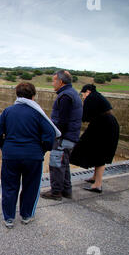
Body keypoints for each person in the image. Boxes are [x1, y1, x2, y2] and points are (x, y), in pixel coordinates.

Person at [0, 82, 59, 228]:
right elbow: (50, 133)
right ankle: (26, 215)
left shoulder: (7, 111)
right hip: (33, 156)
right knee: (31, 186)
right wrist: (43, 149)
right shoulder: (38, 113)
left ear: (17, 95)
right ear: (33, 96)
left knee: (10, 186)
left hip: (11, 155)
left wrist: (4, 147)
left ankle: (9, 218)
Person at [41, 70, 83, 201]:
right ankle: (66, 190)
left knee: (56, 164)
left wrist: (56, 136)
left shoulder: (65, 96)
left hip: (64, 138)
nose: (53, 83)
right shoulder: (72, 93)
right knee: (63, 164)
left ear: (61, 81)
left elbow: (62, 121)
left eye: (54, 80)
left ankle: (56, 192)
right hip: (70, 137)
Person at [70, 84, 120, 193]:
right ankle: (94, 178)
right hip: (107, 124)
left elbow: (85, 117)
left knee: (100, 154)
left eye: (83, 94)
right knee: (98, 152)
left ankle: (97, 185)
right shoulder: (97, 96)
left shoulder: (91, 98)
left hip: (103, 126)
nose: (83, 97)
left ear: (87, 91)